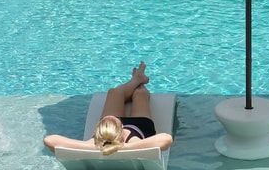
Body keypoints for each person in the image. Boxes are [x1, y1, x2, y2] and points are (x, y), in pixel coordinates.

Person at [43, 62, 173, 154]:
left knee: (114, 92)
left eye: (104, 121)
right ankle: (138, 82)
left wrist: (97, 148)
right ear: (121, 129)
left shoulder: (93, 143)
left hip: (110, 134)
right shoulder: (133, 141)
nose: (114, 118)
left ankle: (136, 79)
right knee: (140, 93)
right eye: (114, 121)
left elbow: (50, 140)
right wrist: (121, 148)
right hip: (139, 126)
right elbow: (166, 139)